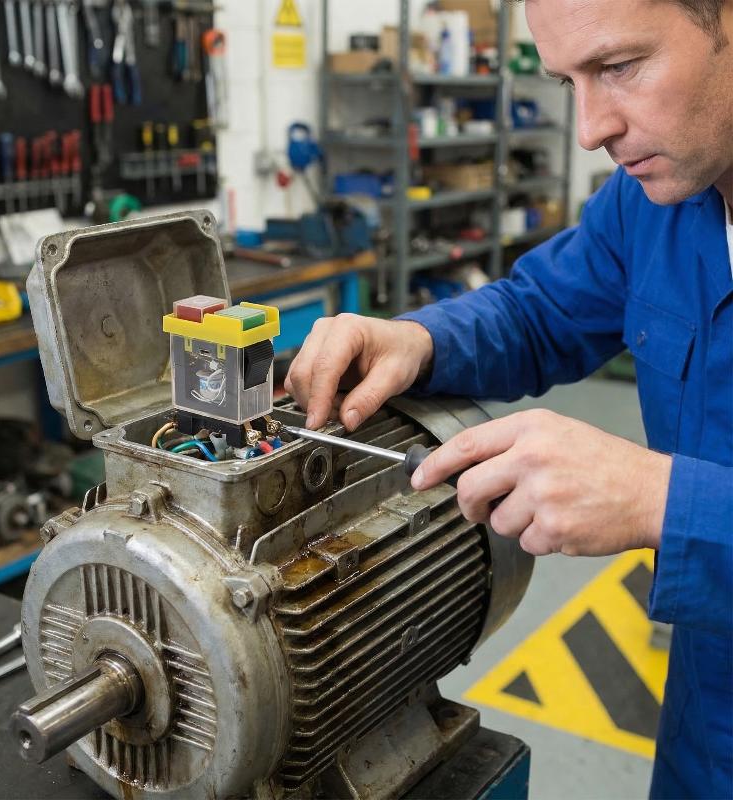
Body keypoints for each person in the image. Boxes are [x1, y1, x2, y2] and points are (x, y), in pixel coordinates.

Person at [285, 1, 733, 797]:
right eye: (567, 82)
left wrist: (664, 501)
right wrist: (417, 340)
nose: (590, 130)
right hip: (707, 706)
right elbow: (541, 309)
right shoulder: (655, 201)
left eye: (619, 66)